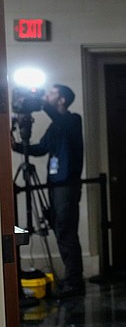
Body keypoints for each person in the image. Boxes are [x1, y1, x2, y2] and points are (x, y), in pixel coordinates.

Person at [11, 84, 85, 298]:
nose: (46, 96)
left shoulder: (72, 120)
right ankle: (71, 279)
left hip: (66, 185)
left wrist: (38, 99)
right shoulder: (55, 127)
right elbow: (42, 148)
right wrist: (16, 146)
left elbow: (59, 119)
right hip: (54, 184)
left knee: (65, 231)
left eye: (51, 93)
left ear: (62, 100)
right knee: (59, 228)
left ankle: (74, 281)